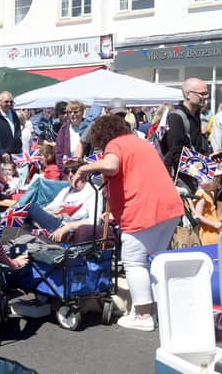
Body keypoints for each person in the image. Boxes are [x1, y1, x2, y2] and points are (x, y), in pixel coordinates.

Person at [72, 115, 183, 332]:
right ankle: (158, 311)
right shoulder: (140, 143)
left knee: (134, 262)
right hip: (169, 207)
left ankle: (143, 316)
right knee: (154, 262)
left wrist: (84, 168)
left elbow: (112, 165)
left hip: (144, 211)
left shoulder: (115, 144)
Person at [163, 77, 211, 192]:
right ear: (188, 94)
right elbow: (176, 155)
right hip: (179, 182)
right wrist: (204, 171)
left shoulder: (196, 115)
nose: (205, 97)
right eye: (202, 94)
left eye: (206, 93)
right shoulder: (176, 118)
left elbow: (197, 148)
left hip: (194, 178)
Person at [55, 100, 89, 178]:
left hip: (85, 168)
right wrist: (63, 172)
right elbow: (59, 152)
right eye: (70, 112)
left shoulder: (88, 127)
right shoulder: (64, 128)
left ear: (82, 112)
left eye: (76, 112)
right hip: (69, 170)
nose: (72, 114)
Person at [0, 91, 22, 161]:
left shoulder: (13, 114)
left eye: (11, 102)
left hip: (16, 154)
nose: (9, 104)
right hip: (3, 156)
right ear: (0, 102)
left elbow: (17, 131)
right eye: (6, 102)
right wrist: (2, 152)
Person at [193, 174, 222, 245]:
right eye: (217, 182)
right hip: (206, 231)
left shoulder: (211, 193)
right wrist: (214, 224)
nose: (218, 185)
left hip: (213, 230)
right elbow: (198, 216)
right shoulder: (202, 194)